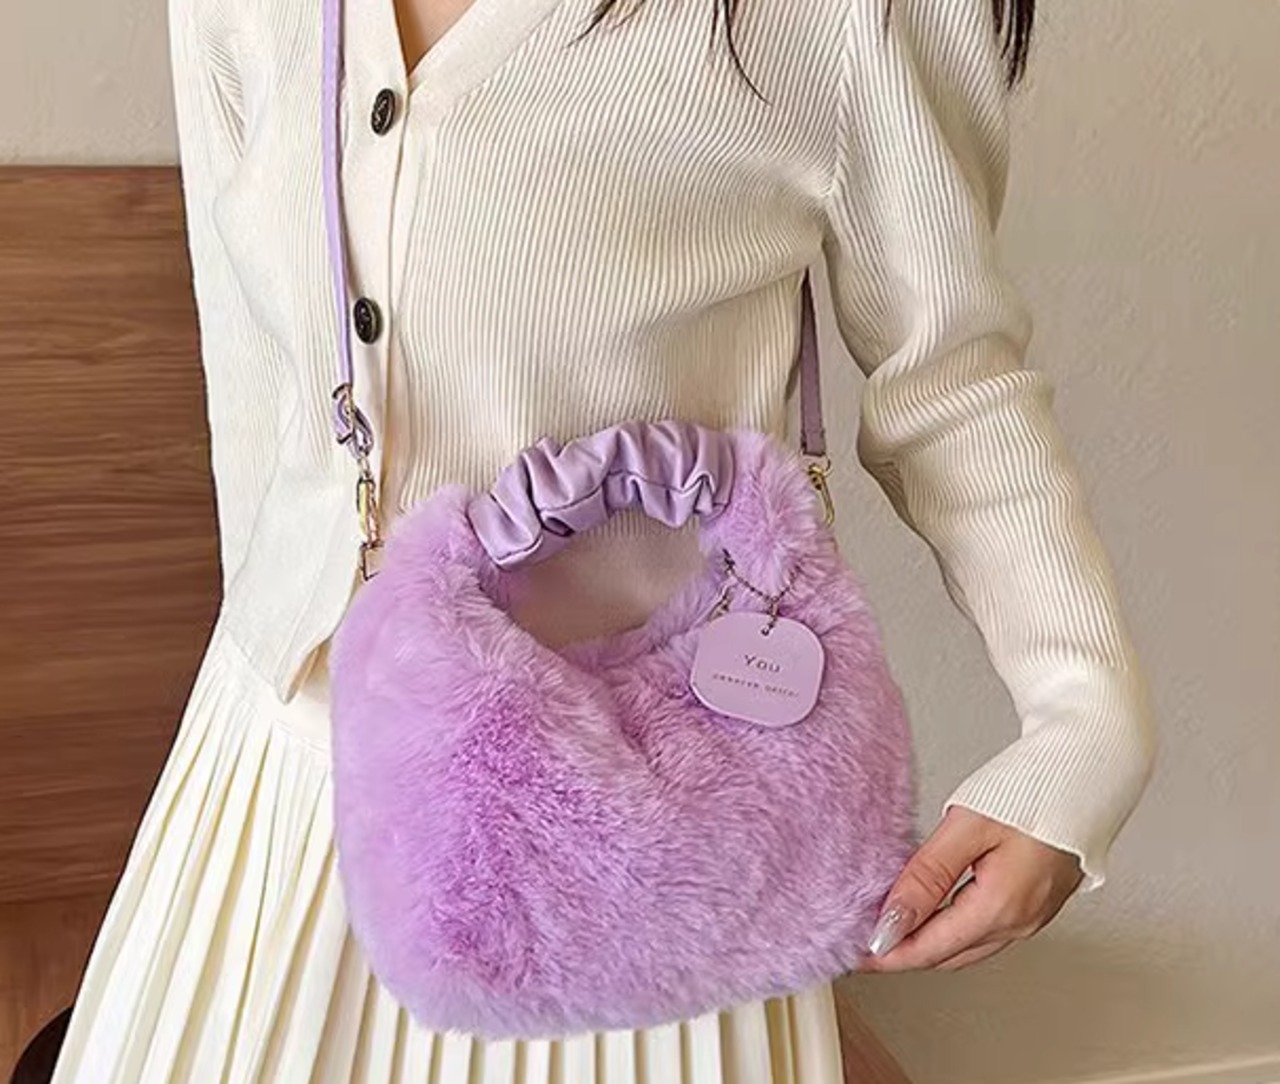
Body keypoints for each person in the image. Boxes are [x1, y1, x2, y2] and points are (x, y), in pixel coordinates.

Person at [51, 0, 1155, 1080]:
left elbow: (950, 384)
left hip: (632, 840)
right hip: (274, 795)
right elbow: (256, 371)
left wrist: (1087, 726)